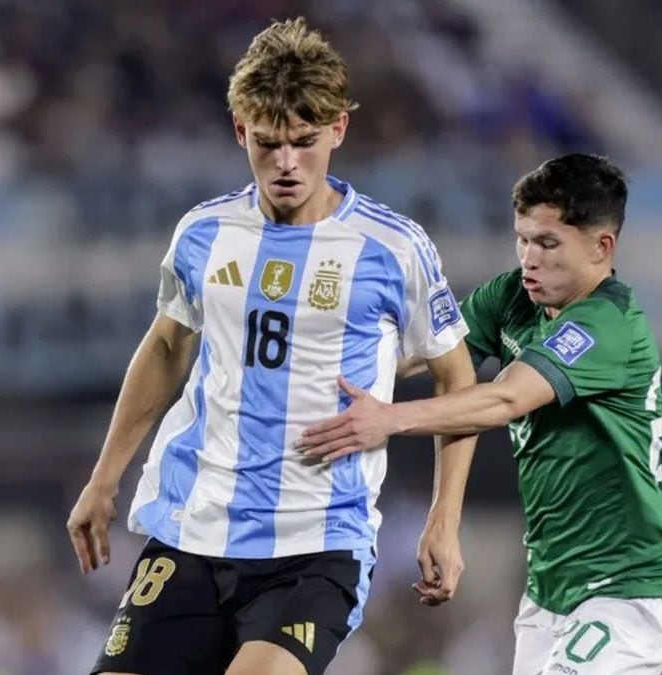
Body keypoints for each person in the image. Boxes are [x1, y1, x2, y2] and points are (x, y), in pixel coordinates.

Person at [66, 17, 478, 675]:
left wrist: (443, 519)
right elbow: (168, 346)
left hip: (315, 546)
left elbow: (458, 382)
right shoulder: (204, 233)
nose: (287, 162)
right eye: (268, 142)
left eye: (305, 142)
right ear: (240, 131)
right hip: (194, 530)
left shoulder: (392, 248)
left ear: (338, 129)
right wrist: (104, 475)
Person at [300, 154, 662, 674]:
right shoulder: (512, 296)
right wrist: (309, 360)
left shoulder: (609, 324)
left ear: (602, 247)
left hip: (628, 589)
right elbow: (426, 355)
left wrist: (389, 418)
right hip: (551, 588)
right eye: (523, 238)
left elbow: (503, 399)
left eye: (548, 243)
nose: (530, 257)